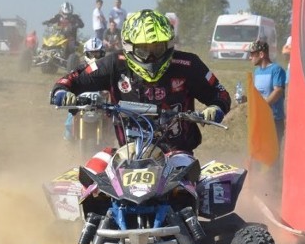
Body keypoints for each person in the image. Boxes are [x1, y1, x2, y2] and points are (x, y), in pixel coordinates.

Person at [50, 8, 230, 154]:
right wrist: (62, 92)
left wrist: (216, 107)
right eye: (143, 50)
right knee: (94, 169)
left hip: (178, 156)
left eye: (157, 49)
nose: (151, 57)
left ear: (168, 46)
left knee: (206, 189)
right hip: (128, 154)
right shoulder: (114, 64)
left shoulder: (188, 65)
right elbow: (73, 78)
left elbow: (220, 93)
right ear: (129, 47)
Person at [249, 39, 286, 145]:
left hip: (274, 120)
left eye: (252, 54)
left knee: (272, 154)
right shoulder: (257, 72)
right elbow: (258, 95)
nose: (250, 57)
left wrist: (263, 106)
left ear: (261, 54)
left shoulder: (276, 70)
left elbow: (278, 91)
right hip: (261, 119)